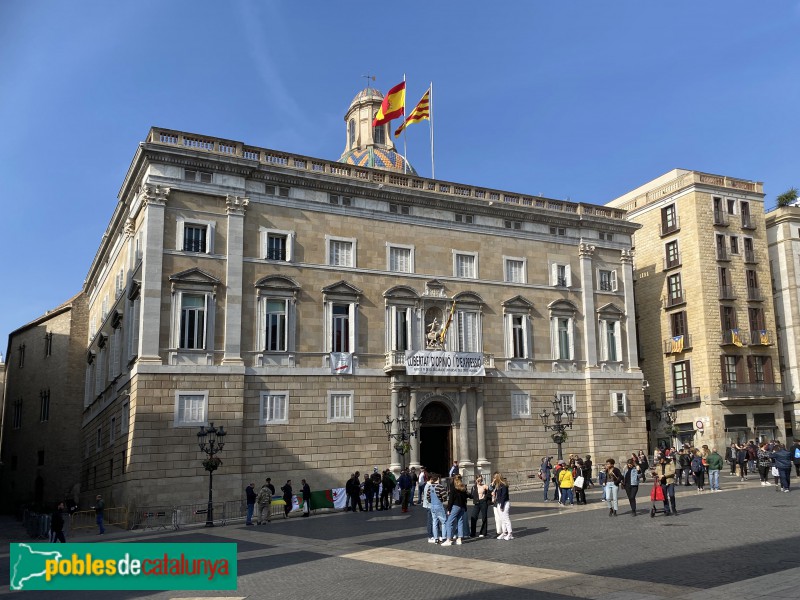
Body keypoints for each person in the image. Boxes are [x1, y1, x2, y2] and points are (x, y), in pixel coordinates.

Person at [442, 474, 468, 546]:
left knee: (449, 522)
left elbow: (451, 500)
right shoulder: (463, 487)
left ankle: (448, 539)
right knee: (460, 521)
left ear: (454, 479)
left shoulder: (453, 488)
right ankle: (459, 539)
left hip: (456, 506)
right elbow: (465, 497)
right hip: (462, 506)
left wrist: (448, 509)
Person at [427, 473, 447, 544]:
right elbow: (444, 497)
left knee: (434, 522)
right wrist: (442, 500)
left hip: (432, 506)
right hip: (439, 506)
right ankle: (444, 538)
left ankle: (436, 538)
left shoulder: (430, 487)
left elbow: (428, 498)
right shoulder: (440, 487)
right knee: (444, 522)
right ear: (438, 479)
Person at [492, 473, 513, 540]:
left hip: (504, 503)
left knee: (506, 518)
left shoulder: (503, 485)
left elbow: (504, 495)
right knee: (502, 519)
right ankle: (504, 532)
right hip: (499, 503)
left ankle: (510, 533)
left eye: (495, 478)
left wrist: (502, 505)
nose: (494, 479)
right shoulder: (497, 485)